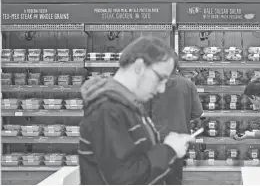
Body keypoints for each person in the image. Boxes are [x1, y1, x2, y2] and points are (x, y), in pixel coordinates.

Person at [78, 36, 194, 185]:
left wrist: (167, 145)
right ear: (139, 66)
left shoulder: (128, 105)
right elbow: (124, 178)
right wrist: (168, 150)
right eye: (160, 78)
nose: (162, 88)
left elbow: (134, 157)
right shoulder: (107, 109)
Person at [144, 55, 203, 185]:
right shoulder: (188, 84)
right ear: (177, 65)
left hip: (156, 139)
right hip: (179, 139)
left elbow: (145, 113)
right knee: (175, 179)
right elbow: (197, 112)